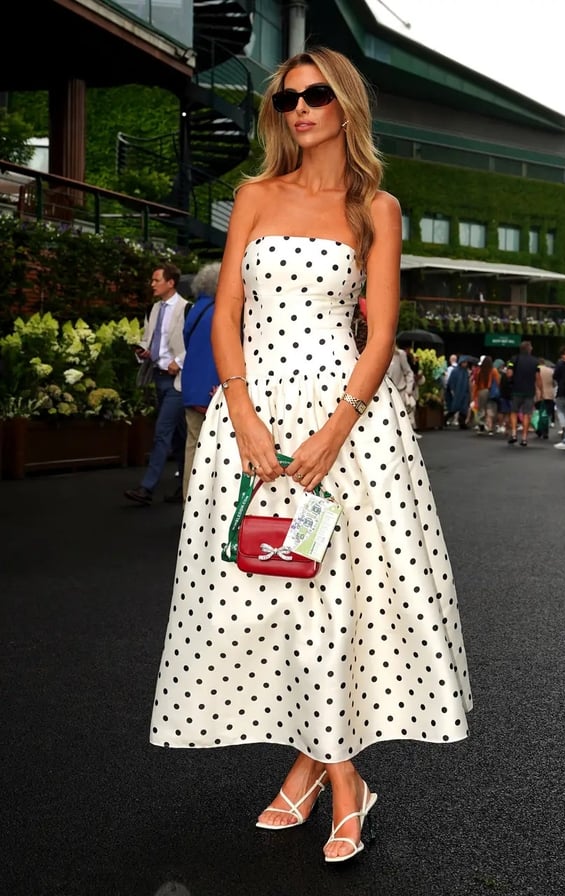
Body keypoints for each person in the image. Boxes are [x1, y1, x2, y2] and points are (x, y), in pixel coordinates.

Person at [149, 46, 472, 865]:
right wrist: (243, 413)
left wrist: (337, 428)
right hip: (252, 419)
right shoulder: (253, 194)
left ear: (345, 105)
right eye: (286, 99)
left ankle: (331, 784)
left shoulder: (378, 207)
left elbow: (383, 332)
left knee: (336, 599)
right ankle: (335, 780)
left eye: (316, 95)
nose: (299, 109)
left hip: (349, 427)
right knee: (270, 595)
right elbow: (226, 314)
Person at [124, 263, 189, 505]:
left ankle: (147, 488)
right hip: (158, 376)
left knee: (162, 431)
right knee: (179, 437)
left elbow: (194, 340)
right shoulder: (154, 308)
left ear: (170, 282)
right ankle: (185, 488)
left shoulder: (185, 308)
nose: (152, 284)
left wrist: (179, 361)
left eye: (156, 280)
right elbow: (149, 338)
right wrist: (143, 351)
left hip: (177, 381)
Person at [180, 261, 221, 500]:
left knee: (192, 446)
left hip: (191, 386)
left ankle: (188, 502)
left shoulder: (196, 309)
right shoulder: (221, 313)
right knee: (214, 449)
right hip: (212, 389)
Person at [506, 341, 542, 447]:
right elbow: (538, 377)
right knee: (527, 414)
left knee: (514, 412)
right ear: (529, 349)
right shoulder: (536, 362)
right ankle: (525, 438)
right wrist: (540, 390)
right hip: (529, 391)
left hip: (516, 389)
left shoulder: (513, 359)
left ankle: (513, 434)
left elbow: (509, 374)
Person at [471, 355, 499, 435]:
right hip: (491, 391)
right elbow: (498, 382)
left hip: (481, 391)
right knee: (490, 409)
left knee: (481, 409)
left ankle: (481, 426)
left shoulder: (480, 371)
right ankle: (490, 428)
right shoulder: (494, 370)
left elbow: (476, 383)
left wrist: (474, 394)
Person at [444, 356, 471, 428]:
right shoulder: (455, 371)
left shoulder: (465, 371)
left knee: (464, 408)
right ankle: (444, 419)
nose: (465, 364)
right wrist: (452, 390)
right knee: (454, 408)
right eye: (464, 362)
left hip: (464, 392)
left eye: (466, 362)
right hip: (457, 392)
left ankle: (462, 423)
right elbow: (451, 382)